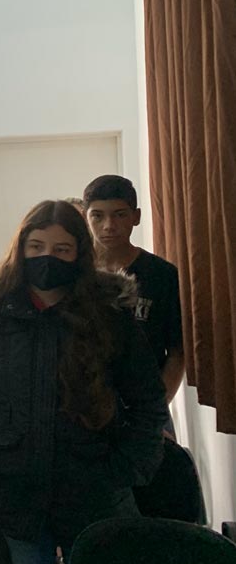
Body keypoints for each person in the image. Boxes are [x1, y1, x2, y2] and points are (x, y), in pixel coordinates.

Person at [0, 200, 166, 564]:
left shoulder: (109, 311)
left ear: (79, 253)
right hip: (15, 491)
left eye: (62, 249)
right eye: (36, 246)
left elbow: (147, 399)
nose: (47, 257)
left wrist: (128, 467)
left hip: (97, 491)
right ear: (20, 248)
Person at [83, 175, 184, 428]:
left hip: (146, 404)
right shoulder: (76, 274)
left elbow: (177, 352)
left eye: (119, 215)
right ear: (85, 217)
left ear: (136, 217)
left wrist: (156, 406)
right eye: (98, 216)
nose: (109, 226)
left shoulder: (161, 274)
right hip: (85, 407)